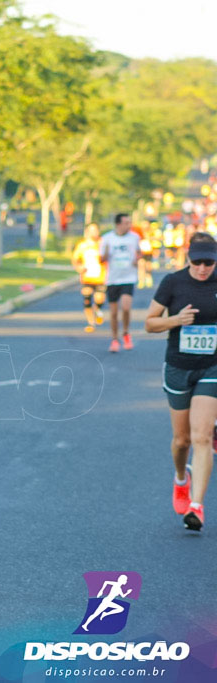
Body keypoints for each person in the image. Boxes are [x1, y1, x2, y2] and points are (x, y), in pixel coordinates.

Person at [145, 232, 217, 532]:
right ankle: (180, 478)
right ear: (188, 258)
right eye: (197, 262)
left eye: (209, 263)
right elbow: (150, 323)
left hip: (211, 367)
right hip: (178, 367)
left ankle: (197, 507)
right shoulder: (172, 283)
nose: (203, 268)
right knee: (182, 441)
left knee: (201, 437)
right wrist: (176, 320)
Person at [99, 213, 140, 353]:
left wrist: (137, 259)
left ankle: (126, 333)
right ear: (118, 224)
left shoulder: (134, 237)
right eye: (126, 223)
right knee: (114, 313)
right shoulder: (107, 239)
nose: (129, 225)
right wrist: (105, 254)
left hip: (128, 278)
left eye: (130, 222)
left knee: (126, 307)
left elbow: (140, 252)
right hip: (112, 279)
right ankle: (114, 339)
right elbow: (101, 259)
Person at [71, 223, 107, 333]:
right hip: (87, 277)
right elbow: (75, 259)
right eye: (91, 230)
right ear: (87, 231)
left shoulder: (103, 243)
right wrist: (79, 268)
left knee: (99, 299)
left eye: (95, 230)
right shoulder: (82, 245)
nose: (93, 232)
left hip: (101, 277)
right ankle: (91, 323)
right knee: (87, 299)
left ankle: (98, 310)